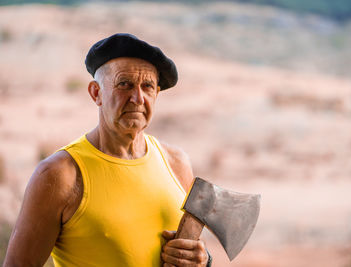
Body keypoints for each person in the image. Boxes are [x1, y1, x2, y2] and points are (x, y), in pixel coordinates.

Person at [4, 33, 211, 267]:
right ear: (96, 93)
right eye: (125, 84)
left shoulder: (177, 163)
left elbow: (192, 252)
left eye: (148, 86)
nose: (138, 98)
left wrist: (203, 259)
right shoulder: (58, 175)